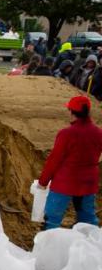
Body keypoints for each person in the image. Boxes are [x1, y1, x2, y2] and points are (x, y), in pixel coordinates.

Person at [37, 96, 102, 230]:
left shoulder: (66, 134)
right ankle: (91, 244)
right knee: (88, 220)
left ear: (72, 112)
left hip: (65, 182)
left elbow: (54, 160)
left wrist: (43, 182)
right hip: (88, 183)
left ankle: (48, 245)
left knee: (52, 218)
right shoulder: (98, 133)